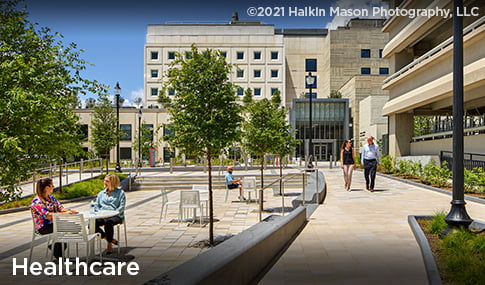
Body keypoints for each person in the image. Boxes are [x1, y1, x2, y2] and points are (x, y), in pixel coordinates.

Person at [30, 178, 78, 258]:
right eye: (52, 185)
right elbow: (47, 215)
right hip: (43, 227)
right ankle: (58, 253)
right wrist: (64, 214)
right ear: (47, 187)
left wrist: (69, 211)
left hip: (54, 224)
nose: (54, 186)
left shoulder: (51, 198)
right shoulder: (37, 202)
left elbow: (60, 207)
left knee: (69, 227)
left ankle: (55, 248)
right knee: (65, 228)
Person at [94, 174, 126, 254]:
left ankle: (109, 245)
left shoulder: (120, 193)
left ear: (113, 182)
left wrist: (112, 214)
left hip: (115, 216)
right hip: (102, 215)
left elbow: (121, 208)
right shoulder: (101, 193)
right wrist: (100, 214)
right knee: (92, 224)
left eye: (107, 181)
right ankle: (109, 238)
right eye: (104, 180)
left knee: (109, 223)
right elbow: (96, 206)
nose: (105, 182)